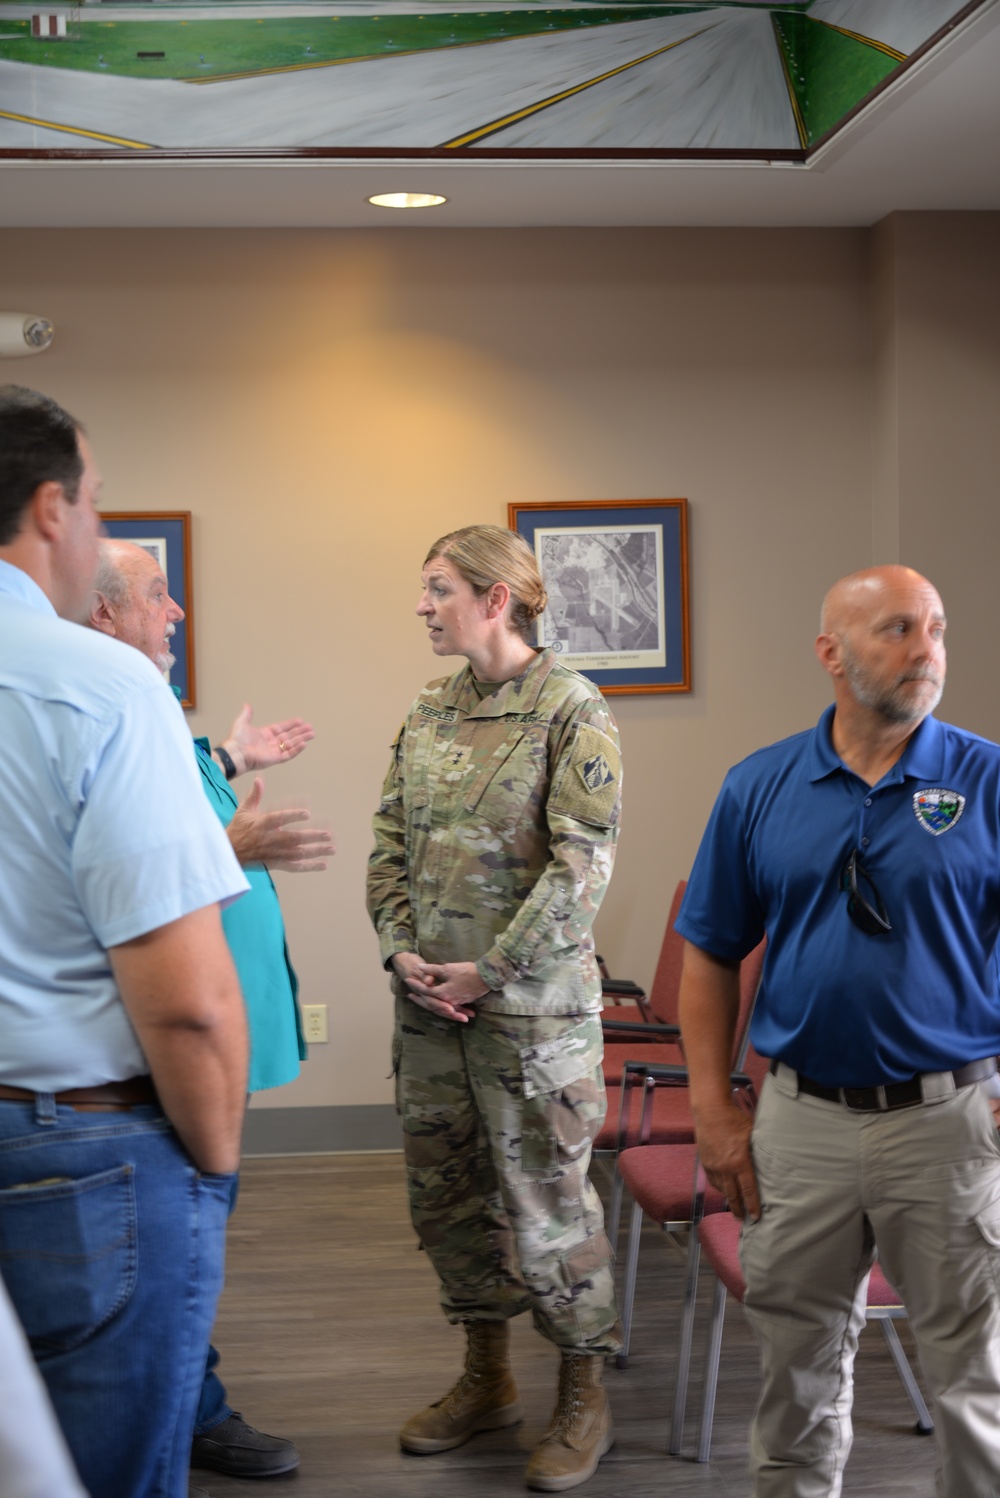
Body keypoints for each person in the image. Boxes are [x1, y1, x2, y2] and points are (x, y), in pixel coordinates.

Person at [675, 564, 1000, 1497]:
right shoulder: (759, 786)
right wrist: (712, 1109)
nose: (926, 650)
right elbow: (708, 955)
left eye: (937, 628)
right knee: (797, 1381)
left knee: (975, 1382)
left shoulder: (985, 780)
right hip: (800, 1124)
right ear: (831, 651)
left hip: (948, 1125)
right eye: (899, 629)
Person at [0, 387, 249, 1498]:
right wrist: (213, 1171)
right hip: (77, 1158)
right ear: (51, 508)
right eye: (96, 502)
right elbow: (189, 1003)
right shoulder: (102, 687)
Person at [366, 524, 623, 1493]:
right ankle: (486, 1376)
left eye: (437, 588)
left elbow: (580, 866)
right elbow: (387, 838)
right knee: (447, 1202)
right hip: (431, 1010)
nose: (422, 605)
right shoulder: (431, 707)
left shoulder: (571, 709)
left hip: (530, 1020)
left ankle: (582, 1390)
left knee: (550, 1207)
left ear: (496, 599)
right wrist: (399, 947)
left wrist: (492, 969)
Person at [90, 537, 334, 1481]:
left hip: (211, 1038)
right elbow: (132, 867)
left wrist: (227, 754)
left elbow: (167, 805)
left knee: (187, 1244)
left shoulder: (140, 702)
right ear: (106, 610)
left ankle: (188, 1402)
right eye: (159, 593)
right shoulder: (101, 703)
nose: (177, 610)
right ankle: (190, 1413)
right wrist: (231, 842)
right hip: (159, 1045)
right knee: (175, 1251)